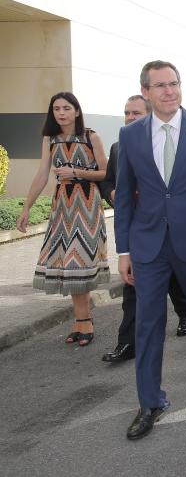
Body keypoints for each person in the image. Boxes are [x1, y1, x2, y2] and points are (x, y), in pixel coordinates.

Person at [115, 60, 186, 441]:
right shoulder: (130, 136)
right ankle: (151, 402)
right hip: (148, 245)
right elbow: (126, 201)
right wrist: (123, 250)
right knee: (148, 324)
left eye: (175, 84)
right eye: (160, 86)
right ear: (145, 92)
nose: (170, 91)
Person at [99, 95, 186, 364]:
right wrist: (112, 193)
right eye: (126, 112)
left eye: (136, 113)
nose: (130, 117)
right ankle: (127, 343)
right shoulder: (119, 147)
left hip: (171, 225)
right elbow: (107, 182)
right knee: (133, 287)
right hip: (138, 230)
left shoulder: (171, 142)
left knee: (176, 277)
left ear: (150, 115)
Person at [16, 92, 110, 346]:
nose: (61, 112)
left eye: (66, 108)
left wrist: (76, 171)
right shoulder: (50, 139)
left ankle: (84, 321)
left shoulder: (91, 136)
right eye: (56, 108)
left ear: (76, 111)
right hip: (62, 207)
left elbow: (105, 172)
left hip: (87, 204)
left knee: (79, 261)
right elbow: (42, 176)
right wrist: (26, 209)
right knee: (69, 264)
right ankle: (81, 321)